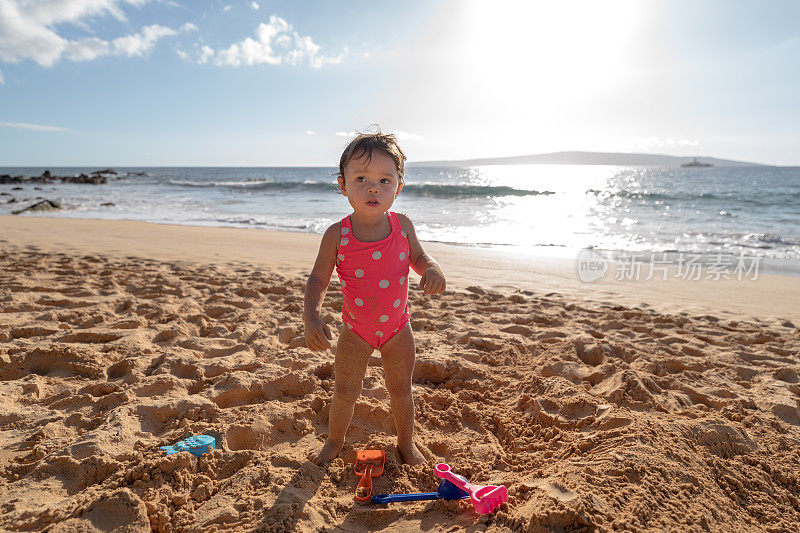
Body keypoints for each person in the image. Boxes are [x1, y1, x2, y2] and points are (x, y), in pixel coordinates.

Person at [304, 131, 446, 465]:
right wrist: (312, 317)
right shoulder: (337, 235)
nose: (373, 188)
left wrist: (433, 269)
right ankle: (335, 441)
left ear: (398, 187)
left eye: (385, 180)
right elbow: (318, 279)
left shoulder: (403, 226)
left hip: (398, 329)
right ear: (343, 185)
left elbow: (420, 259)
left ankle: (407, 444)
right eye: (361, 179)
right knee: (346, 392)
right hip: (355, 331)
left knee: (401, 391)